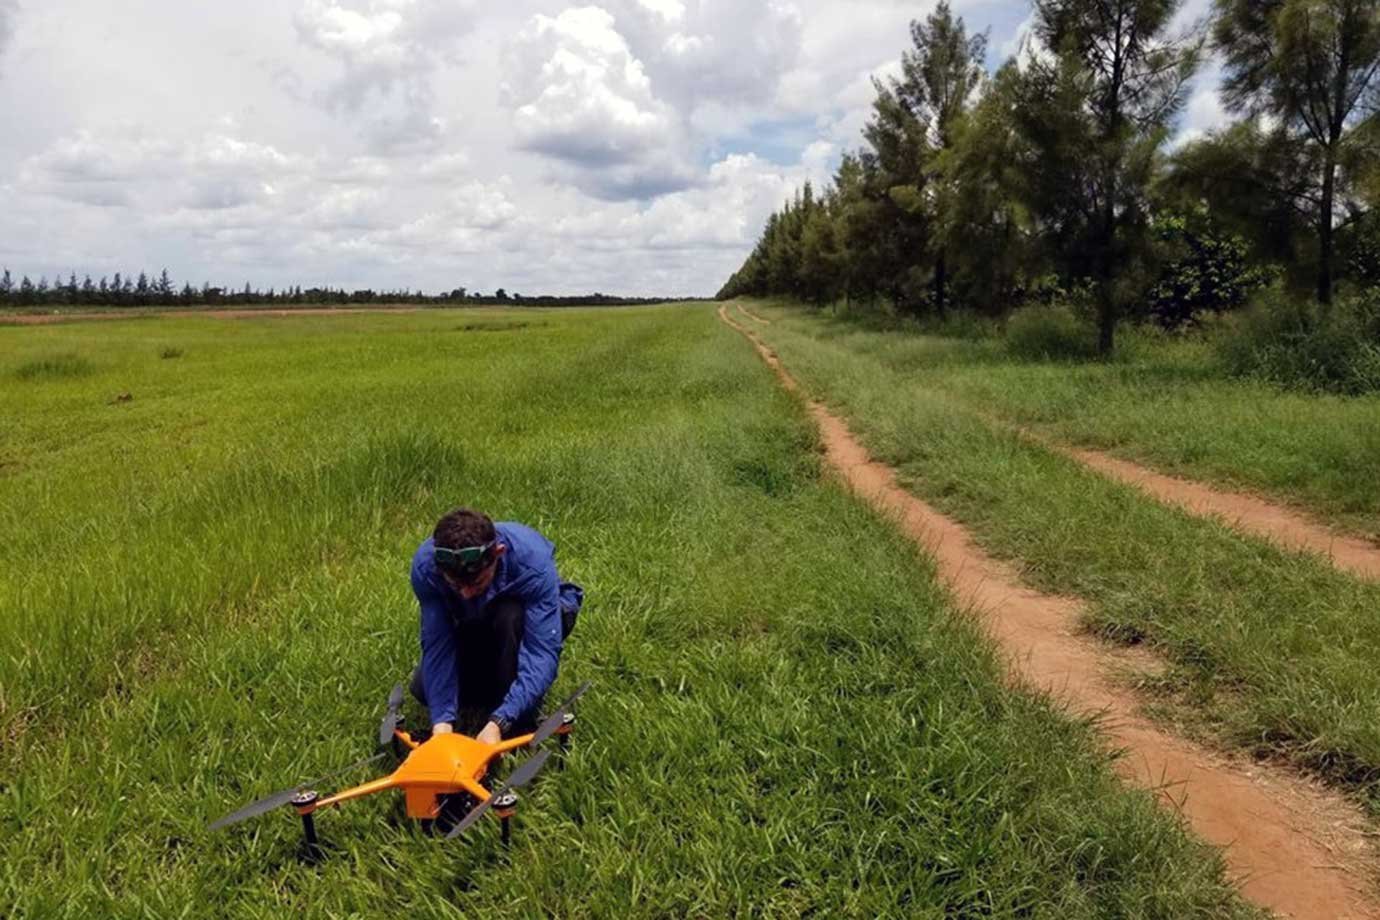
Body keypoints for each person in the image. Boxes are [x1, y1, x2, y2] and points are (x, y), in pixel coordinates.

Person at [409, 508, 583, 746]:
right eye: (456, 585)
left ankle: (517, 709)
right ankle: (495, 685)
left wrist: (501, 721)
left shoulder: (531, 561)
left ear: (498, 553)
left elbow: (541, 652)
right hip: (475, 623)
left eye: (476, 582)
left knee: (509, 615)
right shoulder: (426, 568)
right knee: (422, 688)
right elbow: (438, 645)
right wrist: (441, 725)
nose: (466, 593)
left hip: (524, 622)